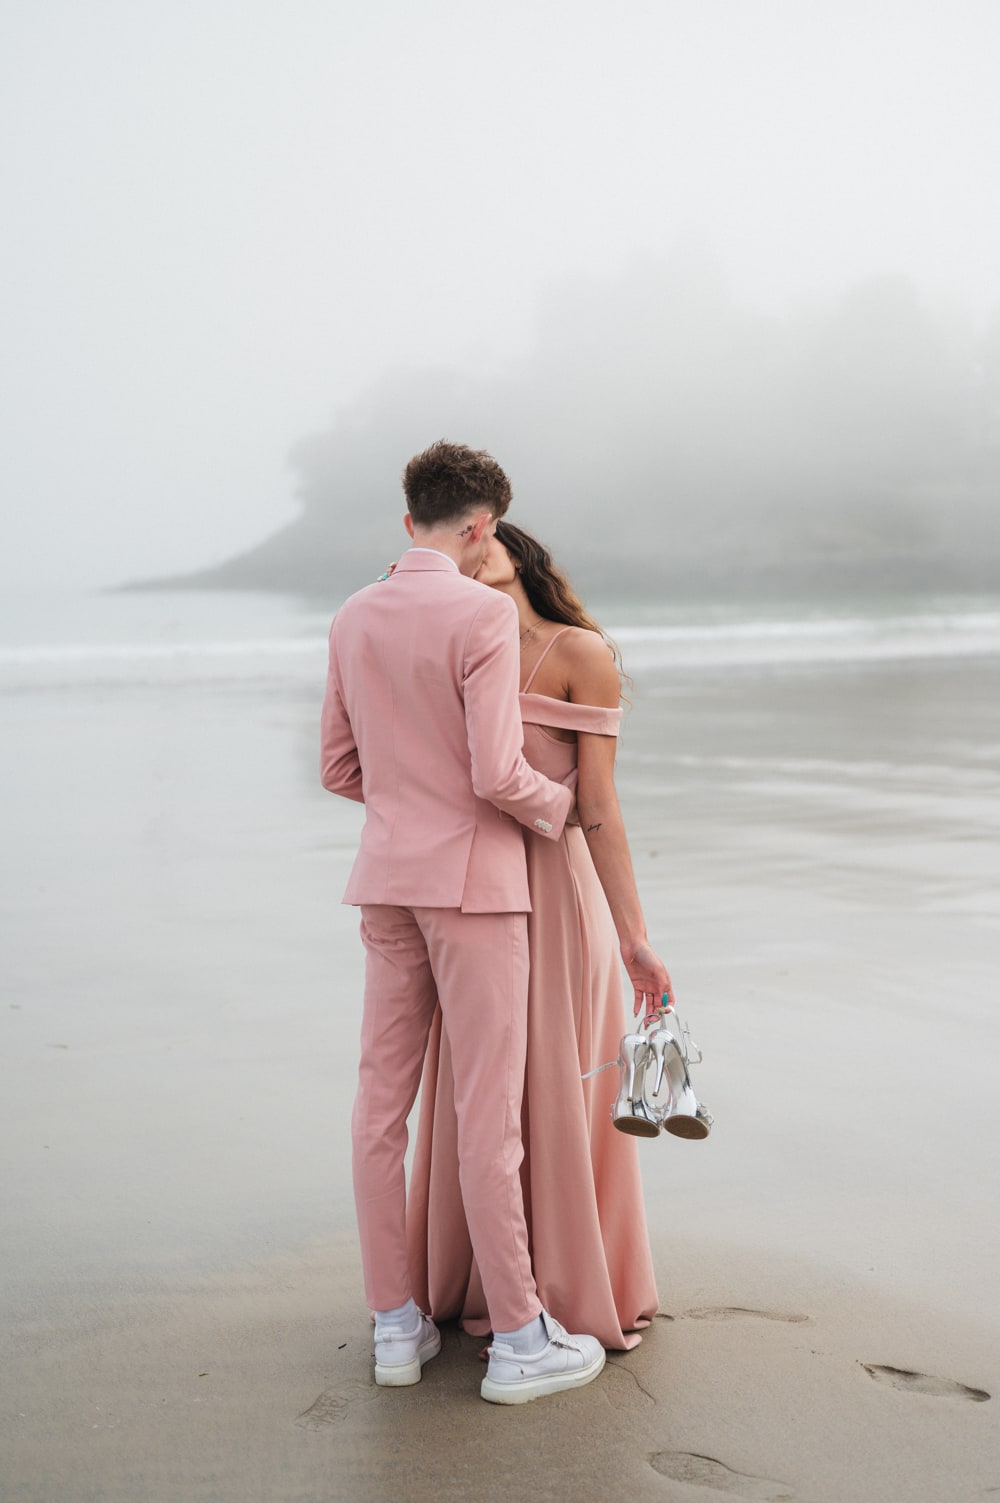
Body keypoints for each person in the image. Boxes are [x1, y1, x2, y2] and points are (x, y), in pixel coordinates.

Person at [320, 441, 614, 1404]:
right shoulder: (484, 612)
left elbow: (338, 768)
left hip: (387, 883)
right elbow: (496, 772)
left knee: (377, 1109)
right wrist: (559, 809)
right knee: (488, 1118)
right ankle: (523, 1341)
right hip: (478, 890)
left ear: (411, 522)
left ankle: (395, 1327)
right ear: (481, 526)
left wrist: (407, 801)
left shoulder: (353, 614)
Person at [407, 520, 671, 1350]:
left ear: (519, 552)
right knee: (478, 1088)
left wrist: (636, 936)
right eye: (461, 543)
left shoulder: (578, 652)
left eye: (487, 540)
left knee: (556, 1082)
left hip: (558, 896)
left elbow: (599, 806)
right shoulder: (449, 645)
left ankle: (567, 1283)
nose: (473, 551)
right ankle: (482, 1277)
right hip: (469, 896)